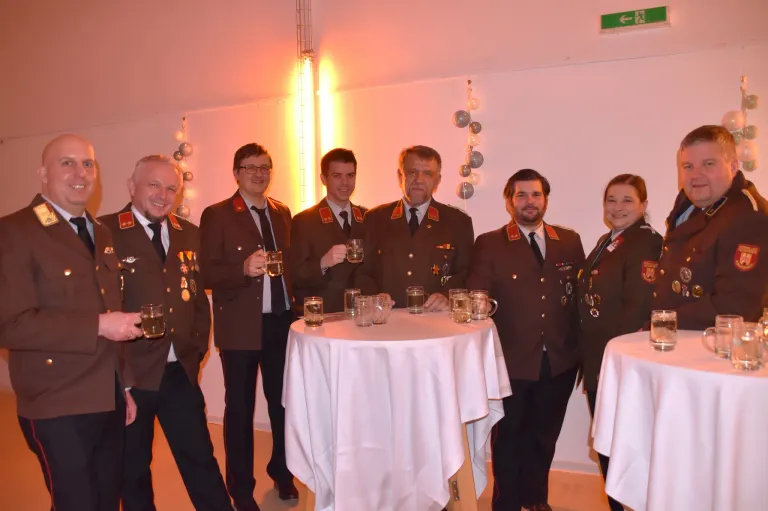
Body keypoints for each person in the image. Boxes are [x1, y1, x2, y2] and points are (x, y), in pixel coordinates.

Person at [0, 134, 142, 511]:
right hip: (55, 400)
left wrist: (123, 385)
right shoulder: (14, 231)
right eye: (67, 163)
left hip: (106, 395)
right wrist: (97, 325)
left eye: (88, 164)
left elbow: (110, 306)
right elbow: (9, 324)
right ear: (42, 174)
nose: (80, 173)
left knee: (108, 498)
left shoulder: (102, 233)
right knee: (76, 503)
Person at [99, 155, 232, 511]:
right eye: (153, 185)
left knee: (201, 461)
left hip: (178, 373)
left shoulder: (188, 233)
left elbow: (198, 302)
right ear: (132, 186)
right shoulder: (104, 231)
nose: (162, 194)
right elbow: (97, 308)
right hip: (131, 377)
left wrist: (194, 352)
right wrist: (118, 377)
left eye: (171, 187)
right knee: (133, 471)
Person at [467, 168, 585, 511]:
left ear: (545, 199)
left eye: (536, 194)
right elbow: (477, 295)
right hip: (511, 360)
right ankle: (505, 504)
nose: (529, 201)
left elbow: (578, 294)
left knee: (544, 436)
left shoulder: (570, 240)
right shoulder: (489, 243)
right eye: (521, 195)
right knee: (508, 440)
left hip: (559, 359)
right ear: (509, 202)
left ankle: (536, 500)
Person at [199, 143, 296, 511]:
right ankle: (240, 490)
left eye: (265, 166)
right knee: (239, 410)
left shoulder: (282, 212)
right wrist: (241, 268)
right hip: (240, 328)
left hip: (280, 324)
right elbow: (205, 272)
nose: (259, 173)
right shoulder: (218, 214)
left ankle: (283, 471)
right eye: (250, 166)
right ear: (236, 172)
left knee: (283, 405)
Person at [577, 174, 662, 511]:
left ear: (643, 205)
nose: (617, 207)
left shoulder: (647, 243)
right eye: (611, 199)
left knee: (623, 447)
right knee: (608, 444)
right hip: (600, 360)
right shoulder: (609, 240)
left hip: (622, 364)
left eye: (627, 200)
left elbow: (637, 309)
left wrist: (615, 363)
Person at [652, 125, 768, 328]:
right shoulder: (689, 203)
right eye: (688, 166)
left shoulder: (748, 215)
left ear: (733, 166)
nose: (695, 175)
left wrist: (664, 322)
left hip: (715, 349)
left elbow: (735, 307)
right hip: (677, 339)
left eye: (708, 164)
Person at [355, 145, 474, 309]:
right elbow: (361, 270)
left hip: (436, 321)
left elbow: (465, 272)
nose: (419, 179)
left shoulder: (458, 222)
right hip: (386, 321)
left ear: (437, 181)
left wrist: (447, 296)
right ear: (399, 176)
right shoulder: (375, 219)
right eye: (412, 172)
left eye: (427, 174)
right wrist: (373, 296)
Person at [290, 148, 367, 313]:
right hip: (324, 316)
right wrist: (322, 263)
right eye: (337, 176)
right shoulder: (305, 221)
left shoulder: (367, 217)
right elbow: (294, 277)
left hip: (362, 316)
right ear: (323, 179)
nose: (345, 183)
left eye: (350, 175)